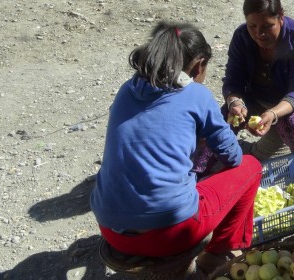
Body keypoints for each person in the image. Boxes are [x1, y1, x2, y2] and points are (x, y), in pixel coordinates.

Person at [89, 21, 262, 273]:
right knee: (251, 166)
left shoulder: (127, 90)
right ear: (198, 64)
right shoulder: (197, 96)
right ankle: (216, 256)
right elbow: (233, 156)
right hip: (170, 234)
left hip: (110, 229)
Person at [210, 0, 294, 164]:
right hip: (257, 99)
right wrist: (235, 102)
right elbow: (233, 80)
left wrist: (272, 114)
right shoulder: (242, 37)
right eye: (252, 26)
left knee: (293, 123)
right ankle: (202, 168)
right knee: (222, 119)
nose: (259, 33)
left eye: (267, 26)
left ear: (281, 17)